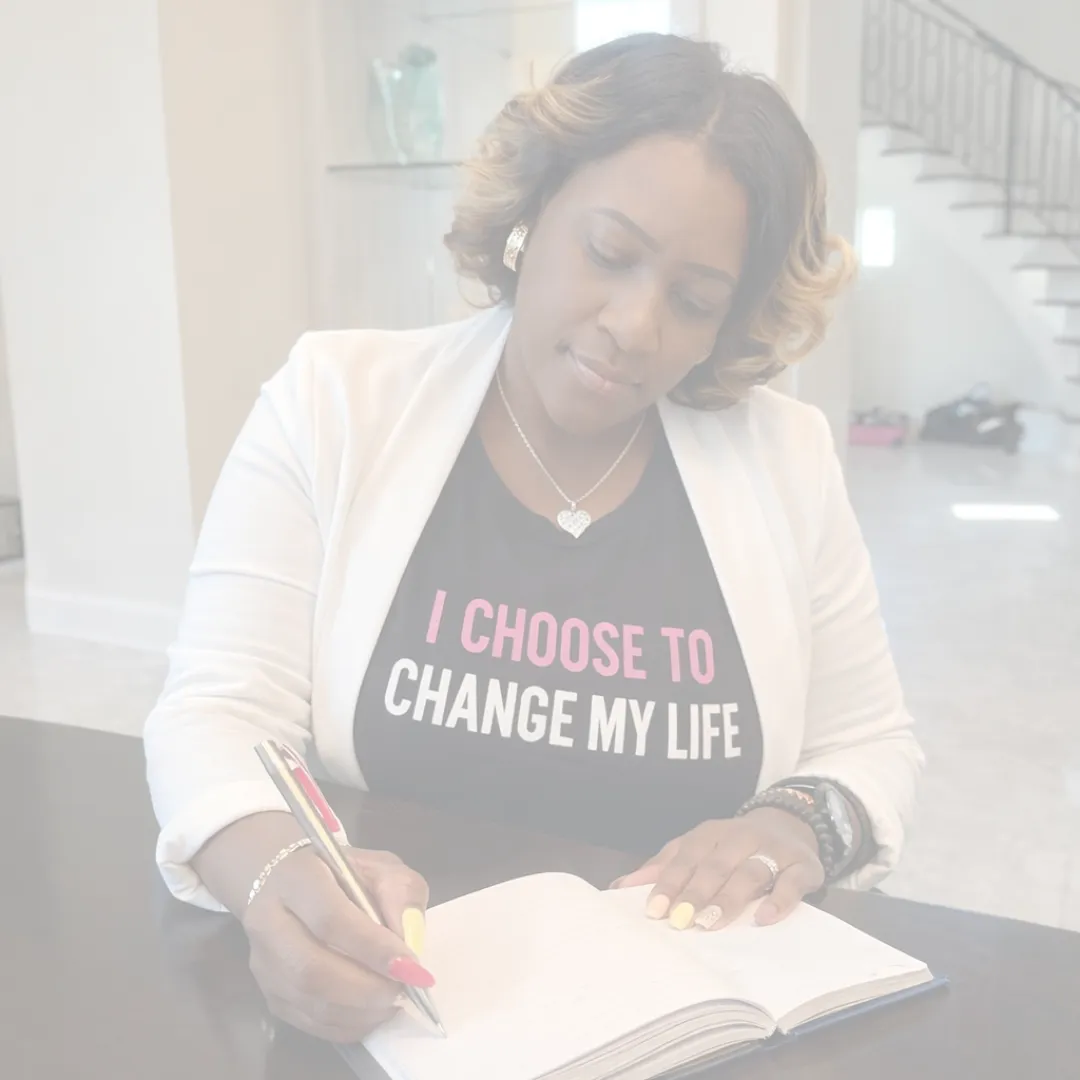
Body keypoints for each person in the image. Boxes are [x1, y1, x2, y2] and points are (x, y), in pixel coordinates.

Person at [144, 33, 922, 1043]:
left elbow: (871, 743)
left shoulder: (787, 456)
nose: (634, 327)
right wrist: (276, 874)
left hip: (687, 1027)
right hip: (409, 1016)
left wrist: (797, 822)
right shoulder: (333, 405)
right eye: (608, 254)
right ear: (531, 213)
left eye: (692, 302)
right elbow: (214, 710)